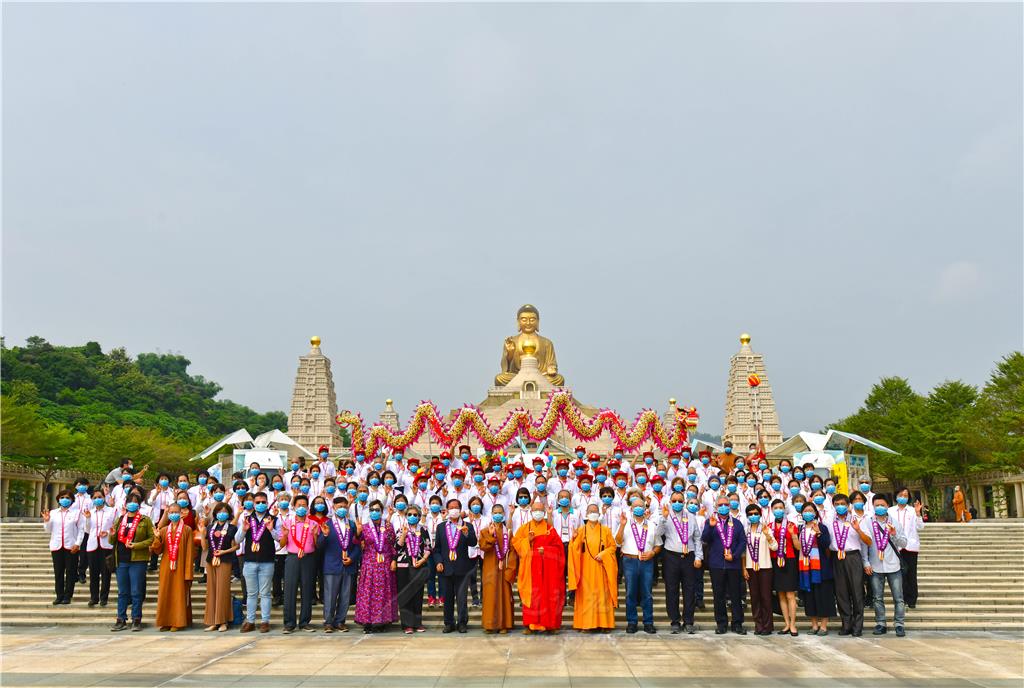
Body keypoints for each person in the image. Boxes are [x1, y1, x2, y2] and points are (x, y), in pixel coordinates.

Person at [512, 497, 566, 634]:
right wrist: (527, 541)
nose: (538, 512)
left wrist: (546, 551)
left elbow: (559, 549)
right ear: (531, 512)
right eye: (535, 510)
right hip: (530, 568)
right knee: (532, 596)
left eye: (540, 510)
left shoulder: (549, 529)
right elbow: (516, 544)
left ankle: (550, 625)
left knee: (548, 596)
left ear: (544, 512)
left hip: (547, 570)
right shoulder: (524, 528)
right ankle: (530, 625)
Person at [568, 502, 617, 633]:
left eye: (595, 511)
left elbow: (612, 547)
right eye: (591, 511)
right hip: (585, 570)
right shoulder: (580, 530)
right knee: (586, 597)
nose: (593, 513)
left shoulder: (606, 530)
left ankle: (604, 624)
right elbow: (574, 549)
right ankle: (586, 624)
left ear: (599, 514)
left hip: (601, 568)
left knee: (603, 596)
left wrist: (604, 554)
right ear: (586, 514)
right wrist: (573, 540)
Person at [702, 495, 748, 635]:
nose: (724, 506)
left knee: (736, 595)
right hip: (716, 565)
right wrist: (710, 527)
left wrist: (734, 556)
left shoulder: (737, 523)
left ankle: (737, 623)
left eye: (726, 504)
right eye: (721, 504)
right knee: (718, 595)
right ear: (716, 507)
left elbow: (742, 542)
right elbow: (704, 539)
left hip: (733, 565)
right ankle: (721, 623)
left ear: (730, 506)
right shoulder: (711, 521)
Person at [237, 491, 282, 633]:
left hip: (267, 561)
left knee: (265, 593)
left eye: (263, 502)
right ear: (253, 504)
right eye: (258, 502)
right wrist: (244, 530)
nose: (261, 504)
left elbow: (280, 539)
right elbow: (237, 540)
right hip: (250, 561)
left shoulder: (273, 519)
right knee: (251, 594)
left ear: (267, 503)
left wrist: (271, 529)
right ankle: (250, 621)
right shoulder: (247, 519)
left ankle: (265, 621)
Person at [109, 492, 155, 632]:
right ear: (125, 504)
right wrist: (111, 535)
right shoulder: (120, 519)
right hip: (121, 559)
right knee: (123, 591)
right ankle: (120, 618)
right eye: (130, 501)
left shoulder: (144, 520)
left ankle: (136, 619)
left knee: (136, 591)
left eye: (135, 501)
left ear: (139, 504)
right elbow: (113, 541)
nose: (132, 504)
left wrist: (137, 545)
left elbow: (151, 539)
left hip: (138, 559)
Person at [616, 497, 662, 634]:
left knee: (647, 593)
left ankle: (648, 622)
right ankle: (632, 622)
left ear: (645, 508)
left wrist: (653, 553)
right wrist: (622, 525)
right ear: (631, 509)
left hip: (646, 562)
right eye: (635, 506)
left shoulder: (652, 525)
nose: (638, 508)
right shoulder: (625, 524)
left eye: (640, 506)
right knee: (630, 592)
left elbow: (658, 544)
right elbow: (618, 542)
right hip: (629, 561)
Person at [432, 498, 479, 633]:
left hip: (462, 567)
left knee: (462, 598)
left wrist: (466, 534)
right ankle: (448, 623)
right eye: (451, 507)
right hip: (446, 568)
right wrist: (439, 561)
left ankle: (462, 623)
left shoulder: (467, 525)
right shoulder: (441, 527)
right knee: (447, 597)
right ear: (447, 510)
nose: (454, 510)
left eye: (456, 507)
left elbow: (473, 542)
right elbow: (437, 549)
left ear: (460, 509)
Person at [864, 495, 908, 637]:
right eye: (877, 505)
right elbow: (865, 543)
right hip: (876, 565)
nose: (879, 507)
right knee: (877, 597)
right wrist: (866, 562)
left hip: (893, 565)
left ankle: (899, 624)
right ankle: (881, 623)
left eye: (882, 505)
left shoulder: (894, 522)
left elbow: (904, 543)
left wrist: (894, 534)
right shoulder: (868, 522)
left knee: (898, 597)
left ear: (887, 506)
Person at [318, 495, 362, 633]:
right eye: (339, 507)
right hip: (332, 565)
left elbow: (357, 545)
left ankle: (340, 621)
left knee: (345, 596)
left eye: (344, 507)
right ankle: (328, 622)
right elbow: (319, 546)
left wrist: (353, 558)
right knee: (330, 596)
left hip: (348, 565)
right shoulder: (327, 524)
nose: (342, 509)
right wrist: (324, 535)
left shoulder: (352, 524)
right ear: (333, 508)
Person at [661, 493, 704, 634]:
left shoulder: (691, 517)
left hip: (688, 557)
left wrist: (698, 556)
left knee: (689, 590)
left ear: (684, 502)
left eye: (680, 501)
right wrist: (663, 518)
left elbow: (697, 538)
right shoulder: (665, 515)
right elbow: (657, 534)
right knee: (671, 590)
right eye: (674, 501)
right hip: (671, 556)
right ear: (670, 501)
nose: (677, 503)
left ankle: (688, 621)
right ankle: (674, 620)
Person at [151, 502, 198, 631]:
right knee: (165, 594)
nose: (173, 514)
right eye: (171, 512)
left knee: (179, 595)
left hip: (181, 567)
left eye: (175, 512)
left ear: (181, 513)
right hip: (166, 567)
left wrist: (188, 572)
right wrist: (156, 538)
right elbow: (157, 550)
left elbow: (190, 553)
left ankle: (178, 622)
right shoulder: (164, 530)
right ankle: (165, 621)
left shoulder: (187, 529)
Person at [355, 499, 399, 633]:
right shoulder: (365, 527)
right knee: (368, 592)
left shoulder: (388, 525)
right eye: (372, 510)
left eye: (377, 510)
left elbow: (392, 544)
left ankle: (382, 621)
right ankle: (367, 622)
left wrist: (393, 559)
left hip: (385, 563)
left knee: (384, 592)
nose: (375, 512)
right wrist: (357, 532)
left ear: (382, 511)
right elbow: (356, 542)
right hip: (370, 563)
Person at [830, 493, 870, 636]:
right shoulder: (830, 520)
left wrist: (858, 529)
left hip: (853, 557)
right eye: (837, 504)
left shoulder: (857, 520)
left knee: (857, 592)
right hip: (837, 558)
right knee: (841, 593)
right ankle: (846, 624)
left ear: (848, 506)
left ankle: (858, 626)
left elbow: (868, 542)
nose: (840, 507)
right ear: (834, 506)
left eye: (843, 504)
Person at [280, 494, 319, 633]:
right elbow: (282, 544)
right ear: (294, 507)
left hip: (308, 558)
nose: (301, 508)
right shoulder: (288, 523)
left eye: (304, 505)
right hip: (292, 558)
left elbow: (316, 545)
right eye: (299, 505)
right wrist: (284, 535)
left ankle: (304, 622)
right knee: (290, 590)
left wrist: (315, 535)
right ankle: (289, 623)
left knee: (307, 590)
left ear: (308, 508)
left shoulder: (314, 523)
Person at [478, 503, 518, 634]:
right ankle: (490, 624)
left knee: (505, 596)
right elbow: (484, 547)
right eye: (495, 512)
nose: (498, 515)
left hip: (504, 568)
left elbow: (512, 551)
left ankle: (504, 624)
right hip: (490, 568)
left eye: (500, 512)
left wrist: (511, 568)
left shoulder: (508, 532)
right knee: (490, 595)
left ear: (504, 514)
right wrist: (490, 535)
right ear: (491, 514)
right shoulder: (485, 531)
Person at [798, 502, 835, 635]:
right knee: (810, 597)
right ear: (802, 514)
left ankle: (824, 625)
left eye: (810, 510)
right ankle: (814, 625)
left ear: (815, 513)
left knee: (823, 596)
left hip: (821, 568)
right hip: (805, 568)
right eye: (805, 511)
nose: (808, 513)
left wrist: (819, 533)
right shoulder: (800, 528)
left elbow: (826, 544)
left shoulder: (821, 527)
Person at [395, 504, 432, 634]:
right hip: (404, 566)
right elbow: (397, 548)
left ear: (419, 516)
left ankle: (417, 622)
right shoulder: (401, 529)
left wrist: (422, 560)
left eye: (415, 514)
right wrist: (403, 536)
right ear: (406, 516)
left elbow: (428, 547)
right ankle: (407, 624)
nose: (412, 517)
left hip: (419, 566)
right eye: (409, 514)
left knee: (418, 595)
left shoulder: (423, 529)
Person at [742, 503, 778, 635]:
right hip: (751, 568)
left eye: (755, 514)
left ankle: (768, 626)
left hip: (765, 567)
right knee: (754, 597)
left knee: (766, 597)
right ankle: (758, 625)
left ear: (760, 514)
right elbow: (743, 552)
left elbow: (775, 547)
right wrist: (744, 568)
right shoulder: (745, 530)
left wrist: (768, 535)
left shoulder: (766, 528)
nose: (753, 516)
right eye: (750, 514)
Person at [202, 502, 238, 632]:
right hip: (211, 560)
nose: (222, 514)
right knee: (211, 590)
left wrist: (224, 551)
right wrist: (202, 533)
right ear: (215, 514)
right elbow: (205, 547)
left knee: (222, 590)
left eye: (225, 511)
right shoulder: (211, 527)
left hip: (225, 560)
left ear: (228, 514)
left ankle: (223, 621)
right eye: (219, 511)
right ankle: (213, 621)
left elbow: (236, 546)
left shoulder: (232, 528)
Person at [43, 489, 82, 606]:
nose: (64, 500)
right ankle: (59, 595)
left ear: (72, 500)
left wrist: (78, 543)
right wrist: (47, 521)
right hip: (57, 546)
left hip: (71, 546)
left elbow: (81, 530)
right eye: (62, 497)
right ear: (58, 499)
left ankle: (67, 595)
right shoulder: (53, 513)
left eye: (67, 498)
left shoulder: (76, 513)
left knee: (71, 572)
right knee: (58, 572)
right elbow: (48, 530)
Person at [769, 498, 800, 635]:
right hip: (775, 561)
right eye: (775, 508)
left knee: (790, 594)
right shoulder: (768, 526)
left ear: (785, 509)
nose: (778, 510)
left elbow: (799, 547)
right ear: (772, 510)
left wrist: (793, 535)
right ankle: (786, 624)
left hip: (790, 561)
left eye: (780, 507)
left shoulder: (792, 525)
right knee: (781, 594)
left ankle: (793, 624)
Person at [890, 487, 924, 609]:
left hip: (911, 546)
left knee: (911, 573)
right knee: (899, 574)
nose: (903, 497)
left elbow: (920, 527)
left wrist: (918, 513)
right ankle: (902, 597)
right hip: (896, 547)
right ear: (896, 496)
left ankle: (912, 599)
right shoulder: (890, 511)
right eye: (900, 495)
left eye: (905, 495)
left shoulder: (912, 510)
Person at [83, 488, 114, 607]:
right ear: (91, 499)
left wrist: (107, 532)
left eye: (100, 497)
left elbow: (114, 526)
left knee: (106, 573)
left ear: (104, 498)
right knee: (93, 573)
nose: (97, 499)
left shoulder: (111, 511)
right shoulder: (89, 512)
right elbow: (87, 529)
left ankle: (104, 597)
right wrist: (87, 518)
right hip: (92, 545)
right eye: (95, 498)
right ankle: (93, 597)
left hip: (106, 545)